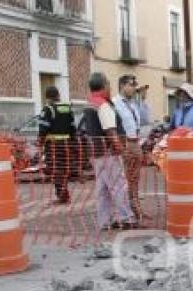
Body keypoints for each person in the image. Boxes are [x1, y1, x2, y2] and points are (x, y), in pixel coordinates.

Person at [80, 72, 136, 230]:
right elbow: (110, 131)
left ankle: (105, 221)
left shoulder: (90, 104)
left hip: (96, 154)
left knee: (102, 189)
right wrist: (121, 150)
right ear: (104, 85)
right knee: (119, 185)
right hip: (109, 153)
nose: (110, 87)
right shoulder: (103, 105)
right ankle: (127, 218)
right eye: (109, 84)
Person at [113, 74, 151, 221]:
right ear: (122, 86)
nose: (134, 88)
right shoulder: (115, 103)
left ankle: (136, 208)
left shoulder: (134, 104)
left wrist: (143, 99)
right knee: (125, 178)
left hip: (136, 142)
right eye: (131, 85)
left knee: (135, 178)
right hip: (125, 143)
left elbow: (145, 120)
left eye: (135, 85)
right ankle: (126, 211)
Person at [38, 86, 75, 204]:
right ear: (58, 95)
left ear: (47, 97)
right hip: (67, 144)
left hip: (53, 145)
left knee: (56, 169)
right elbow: (73, 127)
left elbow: (43, 128)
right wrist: (72, 142)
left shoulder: (48, 109)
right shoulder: (67, 108)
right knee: (63, 169)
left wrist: (40, 142)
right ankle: (64, 194)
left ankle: (63, 196)